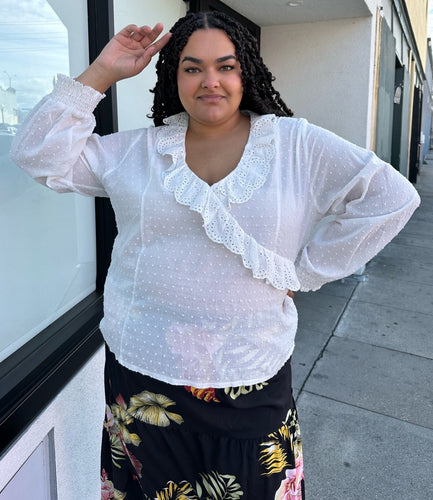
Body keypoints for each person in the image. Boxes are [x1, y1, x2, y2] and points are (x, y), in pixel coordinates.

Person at [10, 10, 420, 500]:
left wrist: (305, 271)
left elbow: (390, 197)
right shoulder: (134, 152)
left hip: (251, 381)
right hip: (143, 379)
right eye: (192, 67)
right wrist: (102, 72)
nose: (211, 81)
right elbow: (39, 155)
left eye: (226, 66)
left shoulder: (295, 144)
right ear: (173, 76)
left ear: (245, 71)